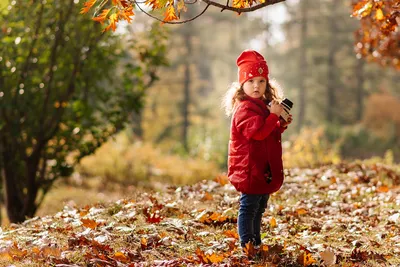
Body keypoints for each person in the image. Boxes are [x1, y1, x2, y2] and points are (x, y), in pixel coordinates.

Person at [222, 50, 293, 248]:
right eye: (251, 81)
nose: (256, 86)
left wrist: (279, 122)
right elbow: (258, 133)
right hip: (249, 168)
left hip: (262, 168)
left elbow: (268, 133)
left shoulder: (263, 106)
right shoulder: (245, 108)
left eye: (261, 81)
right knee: (249, 208)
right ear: (242, 84)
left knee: (259, 207)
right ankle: (247, 245)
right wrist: (272, 117)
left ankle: (256, 242)